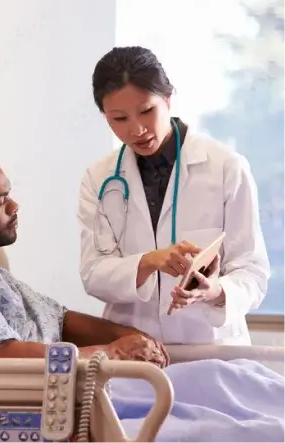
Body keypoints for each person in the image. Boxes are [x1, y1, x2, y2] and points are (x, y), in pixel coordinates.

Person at [0, 140, 169, 367]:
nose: (14, 206)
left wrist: (134, 336)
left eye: (9, 194)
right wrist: (114, 353)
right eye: (0, 202)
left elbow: (59, 319)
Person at [78, 46, 271, 345]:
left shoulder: (226, 168)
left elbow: (252, 271)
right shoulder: (99, 178)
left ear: (168, 98)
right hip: (134, 352)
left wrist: (216, 292)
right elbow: (93, 274)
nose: (137, 129)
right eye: (119, 118)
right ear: (105, 116)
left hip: (209, 349)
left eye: (146, 111)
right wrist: (149, 261)